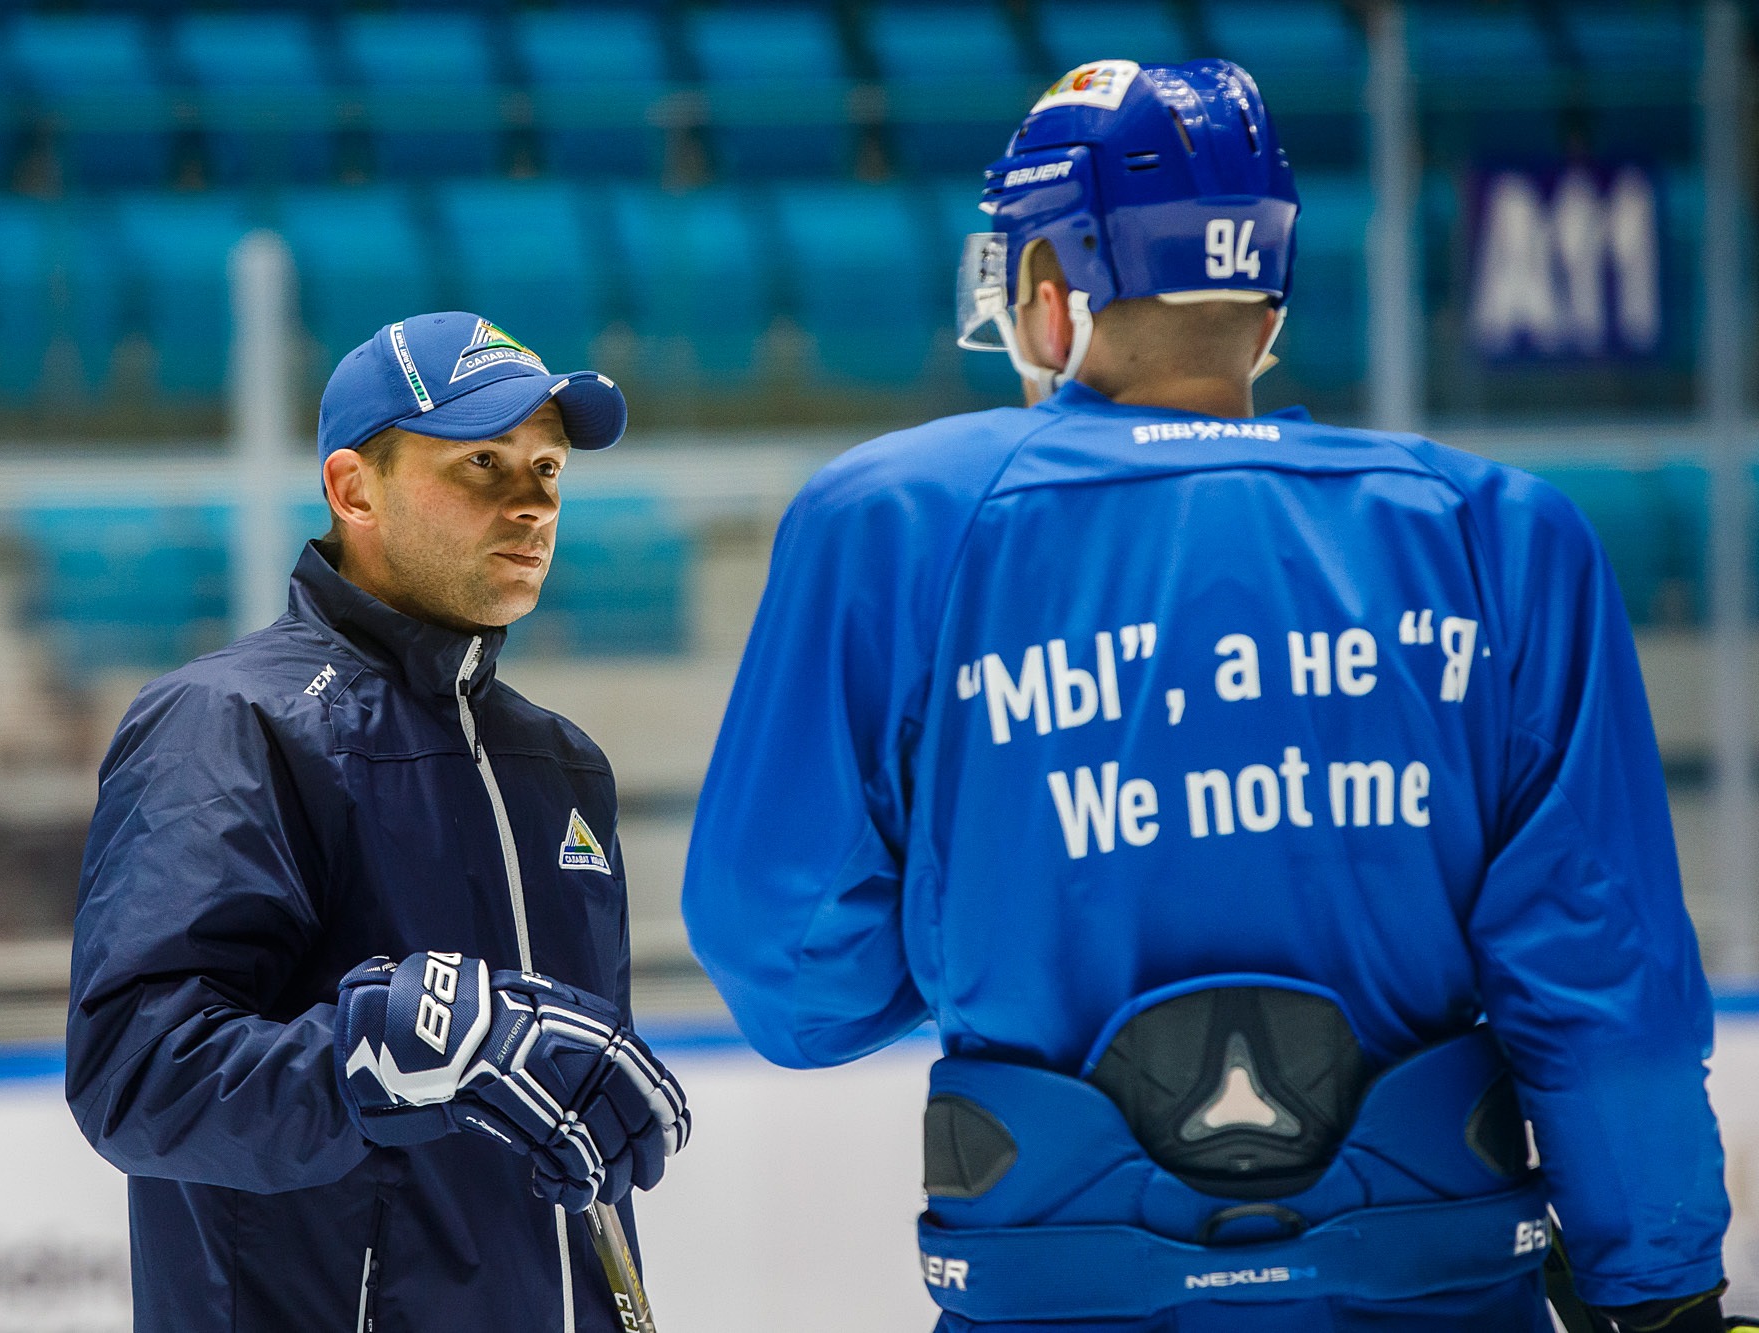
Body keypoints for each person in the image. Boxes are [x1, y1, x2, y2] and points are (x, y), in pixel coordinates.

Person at [683, 58, 1735, 1333]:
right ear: (1265, 304)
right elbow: (1602, 974)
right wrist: (1659, 1293)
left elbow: (790, 969)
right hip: (1431, 1285)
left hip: (1061, 1289)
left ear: (1047, 293)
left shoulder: (897, 518)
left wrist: (986, 916)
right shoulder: (1496, 531)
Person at [68, 311, 689, 1333]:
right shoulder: (230, 722)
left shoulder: (560, 764)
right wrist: (385, 1051)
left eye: (546, 468)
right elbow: (137, 1076)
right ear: (353, 489)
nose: (532, 502)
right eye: (483, 462)